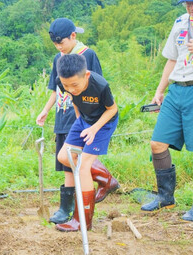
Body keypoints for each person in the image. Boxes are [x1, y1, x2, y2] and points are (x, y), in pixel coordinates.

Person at [36, 18, 119, 225]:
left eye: (61, 43)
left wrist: (90, 122)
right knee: (65, 158)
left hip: (91, 114)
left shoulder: (87, 55)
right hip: (66, 113)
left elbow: (96, 91)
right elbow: (58, 89)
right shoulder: (59, 59)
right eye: (56, 44)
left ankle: (76, 213)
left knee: (79, 163)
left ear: (73, 36)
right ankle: (76, 201)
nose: (59, 47)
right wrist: (46, 110)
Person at [141, 0, 193, 222]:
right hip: (177, 89)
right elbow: (172, 59)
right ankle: (165, 197)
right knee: (157, 143)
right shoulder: (181, 22)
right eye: (187, 3)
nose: (191, 7)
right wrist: (159, 90)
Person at [54, 54, 119, 232]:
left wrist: (94, 129)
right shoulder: (64, 82)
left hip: (103, 122)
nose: (71, 89)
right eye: (67, 85)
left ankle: (82, 220)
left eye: (75, 85)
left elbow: (112, 109)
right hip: (84, 120)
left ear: (87, 76)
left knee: (83, 167)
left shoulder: (100, 85)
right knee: (64, 156)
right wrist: (79, 121)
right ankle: (107, 180)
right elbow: (75, 101)